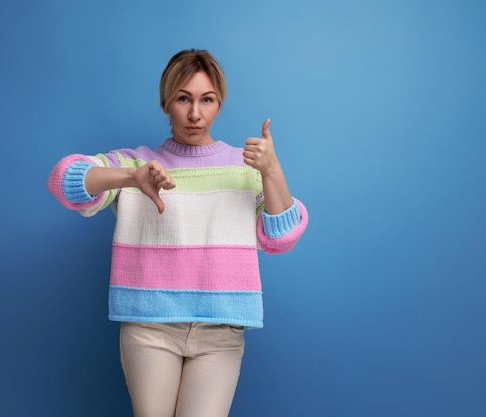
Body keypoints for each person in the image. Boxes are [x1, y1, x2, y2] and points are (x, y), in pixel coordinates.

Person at [47, 49, 308, 417]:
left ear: (220, 103)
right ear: (165, 101)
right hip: (150, 328)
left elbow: (281, 238)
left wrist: (273, 171)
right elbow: (63, 180)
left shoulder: (245, 169)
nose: (195, 113)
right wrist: (132, 179)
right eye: (183, 98)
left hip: (221, 331)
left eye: (207, 100)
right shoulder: (137, 163)